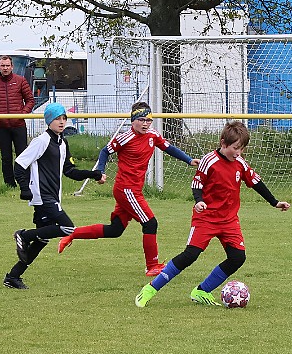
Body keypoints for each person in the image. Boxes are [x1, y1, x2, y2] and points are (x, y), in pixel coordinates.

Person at [135, 120, 290, 308]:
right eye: (235, 148)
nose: (239, 153)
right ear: (223, 143)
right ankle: (150, 289)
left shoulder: (240, 163)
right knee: (190, 255)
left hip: (229, 220)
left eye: (242, 148)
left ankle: (202, 291)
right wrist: (199, 201)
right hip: (206, 218)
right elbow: (197, 184)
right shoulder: (209, 161)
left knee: (237, 258)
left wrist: (275, 202)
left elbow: (255, 182)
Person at [57, 101, 197, 276]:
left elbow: (169, 148)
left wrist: (189, 160)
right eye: (142, 120)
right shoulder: (125, 137)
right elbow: (104, 151)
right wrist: (100, 171)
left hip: (132, 190)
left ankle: (72, 234)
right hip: (127, 189)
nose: (145, 124)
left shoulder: (153, 135)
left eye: (149, 120)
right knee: (150, 223)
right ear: (133, 120)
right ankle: (152, 266)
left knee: (115, 230)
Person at [4, 103, 105, 289]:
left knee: (42, 239)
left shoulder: (62, 142)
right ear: (49, 121)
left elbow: (69, 171)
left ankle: (13, 276)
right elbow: (19, 165)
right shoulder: (41, 141)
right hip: (42, 196)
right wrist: (25, 189)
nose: (62, 121)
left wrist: (93, 174)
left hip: (53, 196)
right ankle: (24, 235)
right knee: (68, 228)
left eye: (64, 118)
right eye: (57, 118)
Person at [0, 55, 35, 187]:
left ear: (12, 67)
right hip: (1, 126)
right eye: (3, 65)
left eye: (7, 65)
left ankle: (25, 182)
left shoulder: (20, 81)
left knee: (23, 155)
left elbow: (30, 100)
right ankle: (9, 184)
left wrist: (22, 114)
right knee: (6, 157)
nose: (5, 68)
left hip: (19, 125)